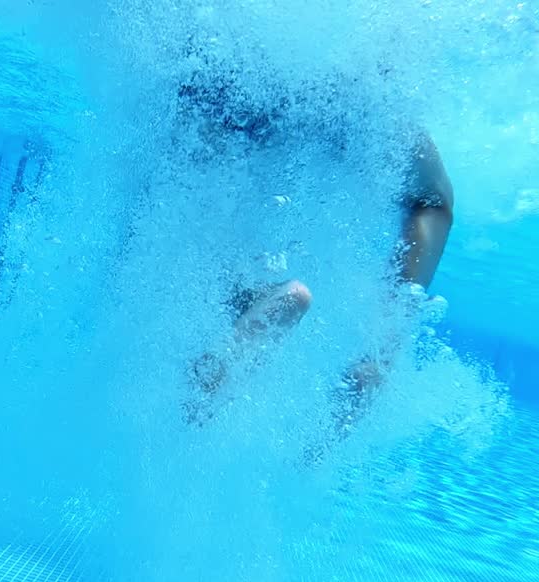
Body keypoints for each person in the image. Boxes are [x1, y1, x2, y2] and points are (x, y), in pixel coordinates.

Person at [176, 51, 455, 451]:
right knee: (431, 199)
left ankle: (235, 304)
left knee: (184, 154)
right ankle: (370, 356)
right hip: (332, 89)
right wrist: (385, 344)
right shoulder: (363, 83)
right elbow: (434, 202)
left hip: (224, 77)